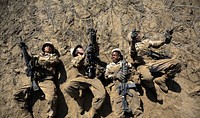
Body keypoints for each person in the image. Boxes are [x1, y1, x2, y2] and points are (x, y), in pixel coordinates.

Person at [127, 29, 182, 96]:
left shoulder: (145, 42)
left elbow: (155, 44)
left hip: (153, 62)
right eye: (136, 35)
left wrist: (164, 41)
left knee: (177, 63)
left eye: (137, 34)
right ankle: (154, 90)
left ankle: (162, 79)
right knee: (147, 78)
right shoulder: (131, 47)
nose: (138, 35)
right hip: (142, 65)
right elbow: (133, 52)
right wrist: (133, 42)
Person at [14, 41, 60, 118]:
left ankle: (51, 115)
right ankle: (26, 114)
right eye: (46, 46)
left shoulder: (54, 56)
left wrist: (38, 62)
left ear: (52, 49)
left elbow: (52, 61)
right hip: (33, 79)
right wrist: (24, 49)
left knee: (52, 97)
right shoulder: (37, 56)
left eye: (50, 46)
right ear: (43, 48)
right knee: (17, 94)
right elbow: (29, 60)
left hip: (46, 79)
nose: (48, 47)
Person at [64, 45, 106, 118]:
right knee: (68, 87)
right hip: (82, 78)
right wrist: (84, 55)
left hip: (94, 79)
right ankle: (79, 100)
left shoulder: (91, 56)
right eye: (78, 49)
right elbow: (76, 63)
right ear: (76, 52)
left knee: (101, 96)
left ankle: (91, 113)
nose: (81, 49)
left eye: (80, 48)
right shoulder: (76, 59)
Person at [105, 48, 143, 118]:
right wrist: (115, 75)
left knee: (135, 104)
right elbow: (106, 76)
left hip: (128, 84)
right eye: (112, 55)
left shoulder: (126, 64)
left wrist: (128, 74)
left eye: (115, 55)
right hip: (116, 85)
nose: (113, 57)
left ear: (119, 56)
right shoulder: (109, 66)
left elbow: (134, 72)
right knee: (117, 107)